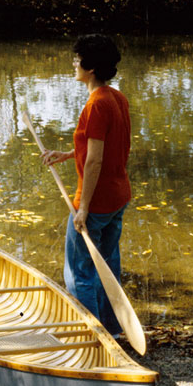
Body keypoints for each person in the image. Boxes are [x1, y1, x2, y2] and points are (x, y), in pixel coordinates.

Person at [42, 34, 131, 337]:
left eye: (77, 58)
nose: (73, 63)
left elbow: (94, 162)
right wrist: (67, 154)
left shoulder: (96, 105)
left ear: (90, 67)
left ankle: (92, 337)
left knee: (79, 271)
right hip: (119, 197)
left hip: (97, 203)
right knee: (107, 266)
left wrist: (84, 209)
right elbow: (105, 148)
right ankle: (115, 330)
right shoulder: (116, 98)